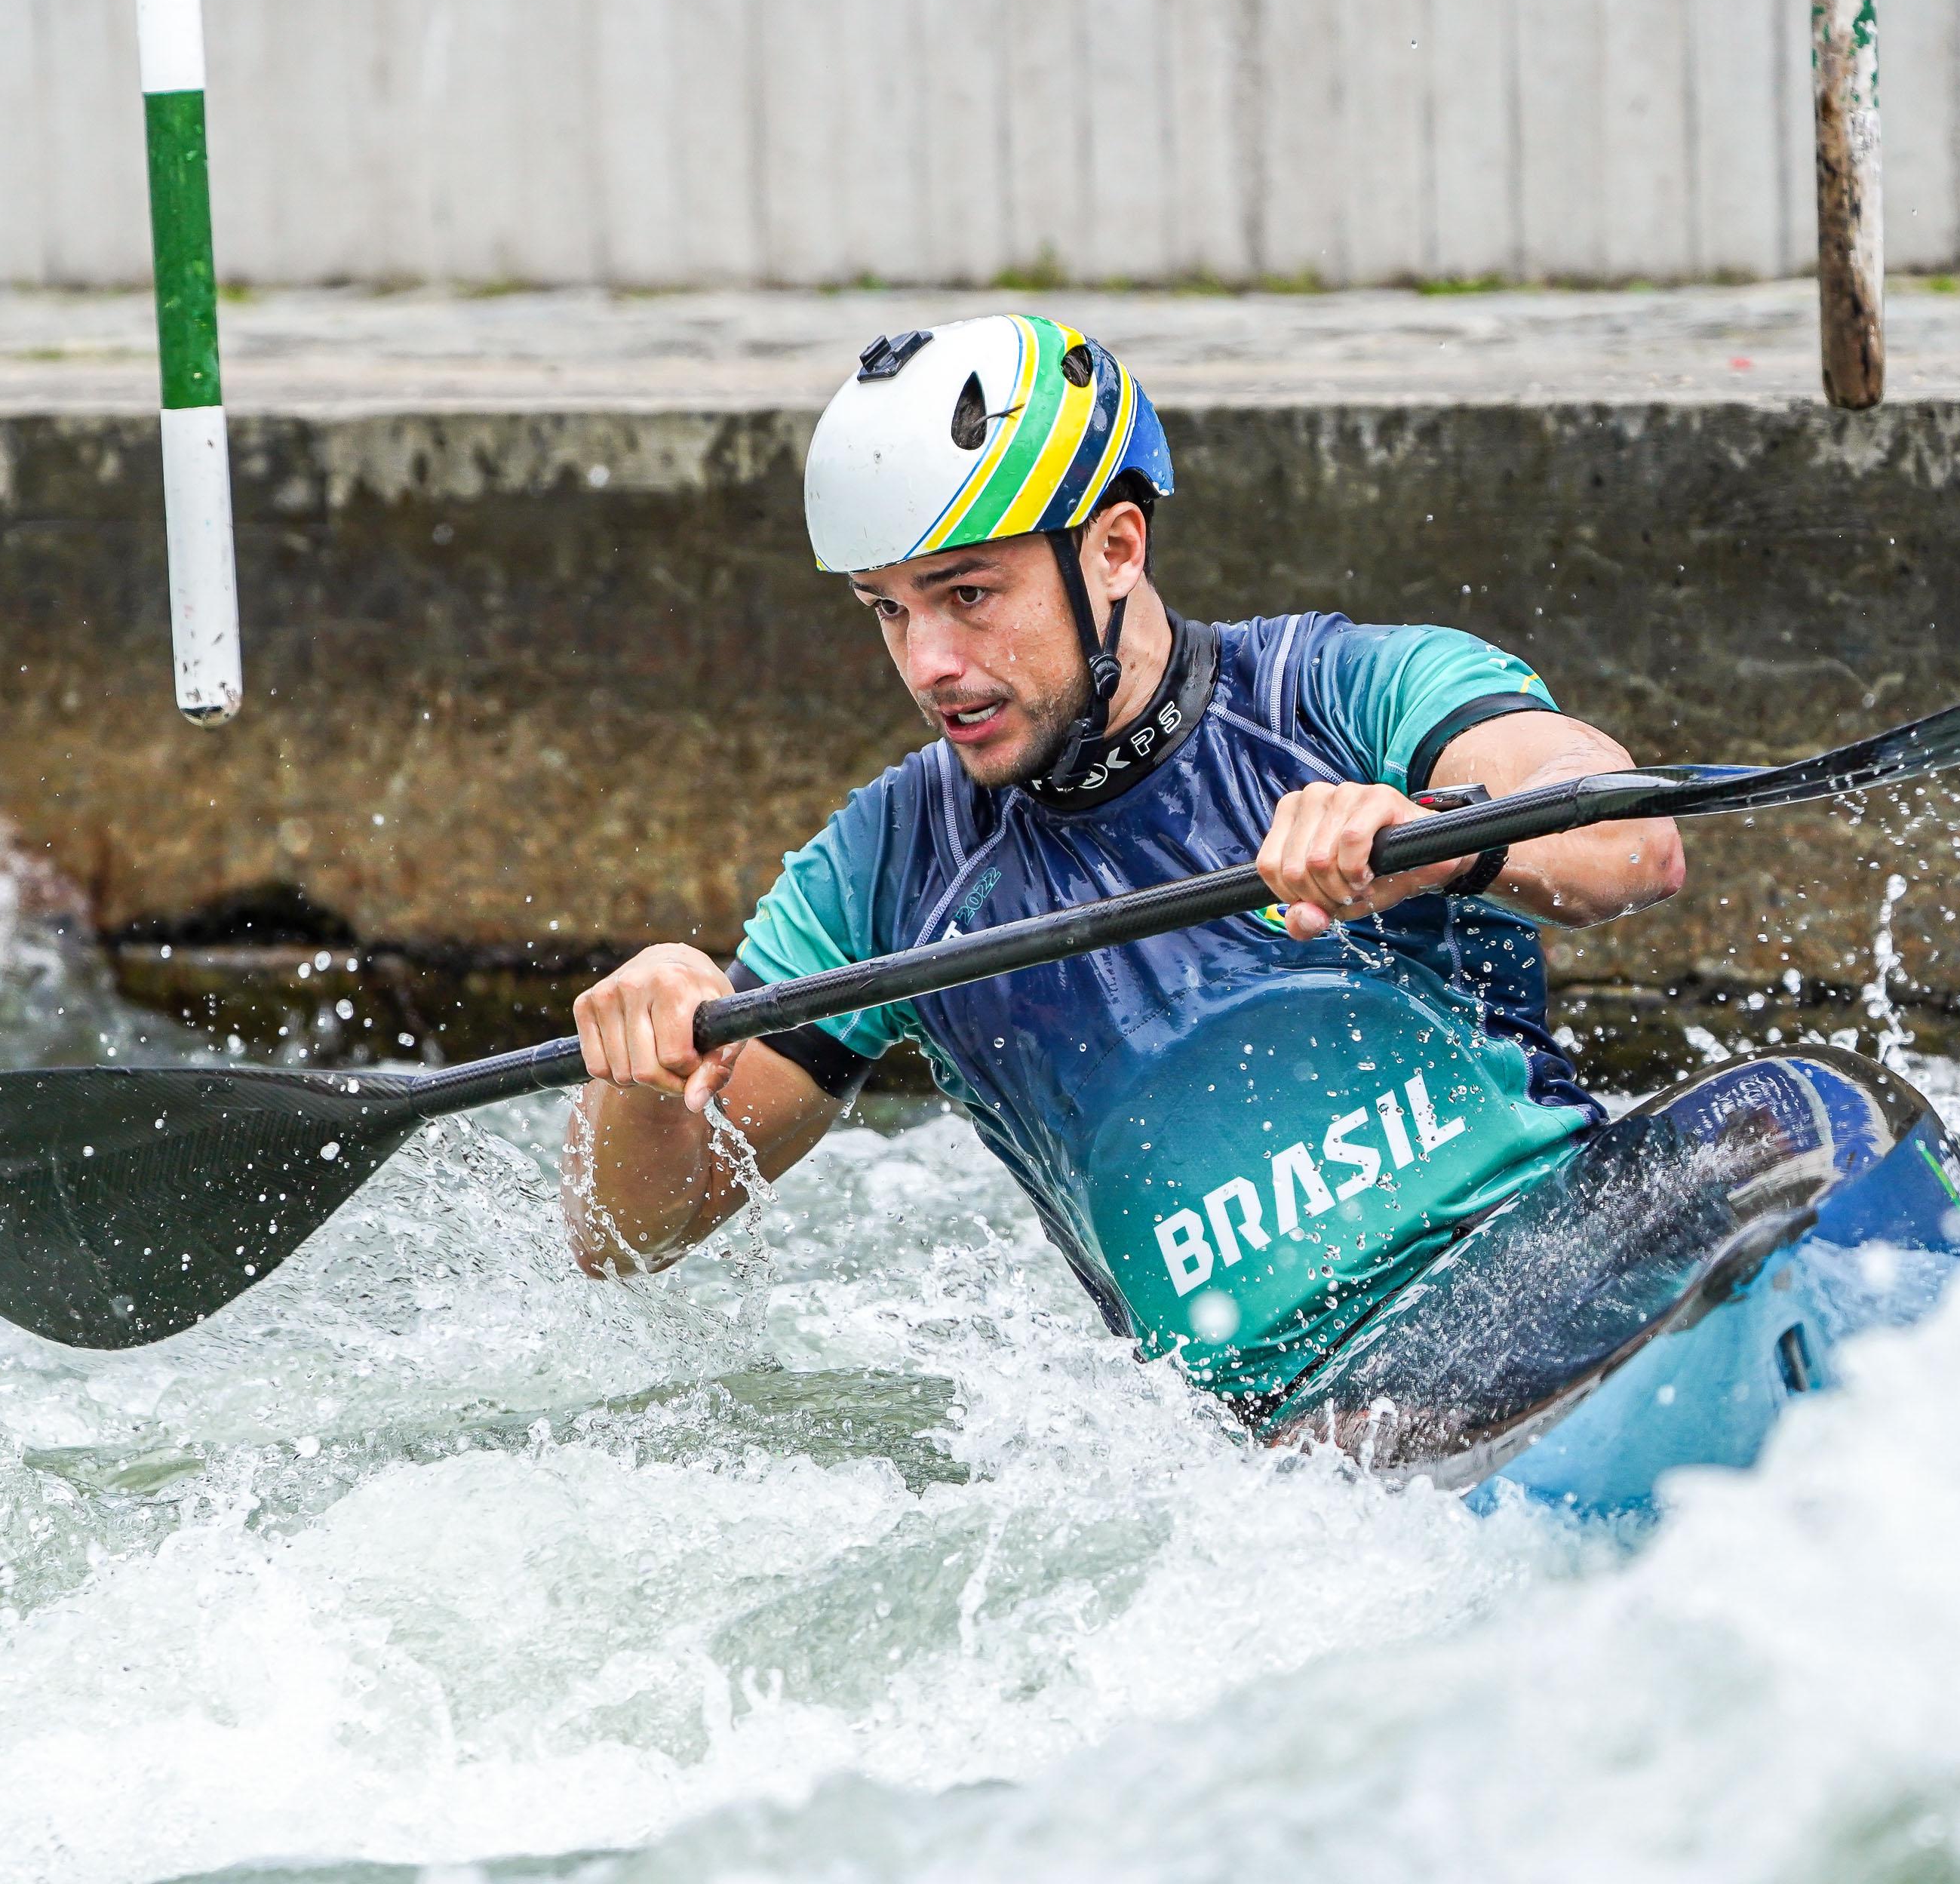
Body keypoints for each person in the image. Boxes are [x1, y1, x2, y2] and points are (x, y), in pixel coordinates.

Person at [562, 315, 1685, 1419]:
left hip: (1565, 1284)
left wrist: (1435, 836)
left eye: (969, 594)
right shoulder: (885, 874)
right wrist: (641, 1064)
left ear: (1113, 548)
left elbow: (1632, 839)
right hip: (1286, 1461)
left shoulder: (1343, 693)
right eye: (888, 612)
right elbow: (630, 1232)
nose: (931, 664)